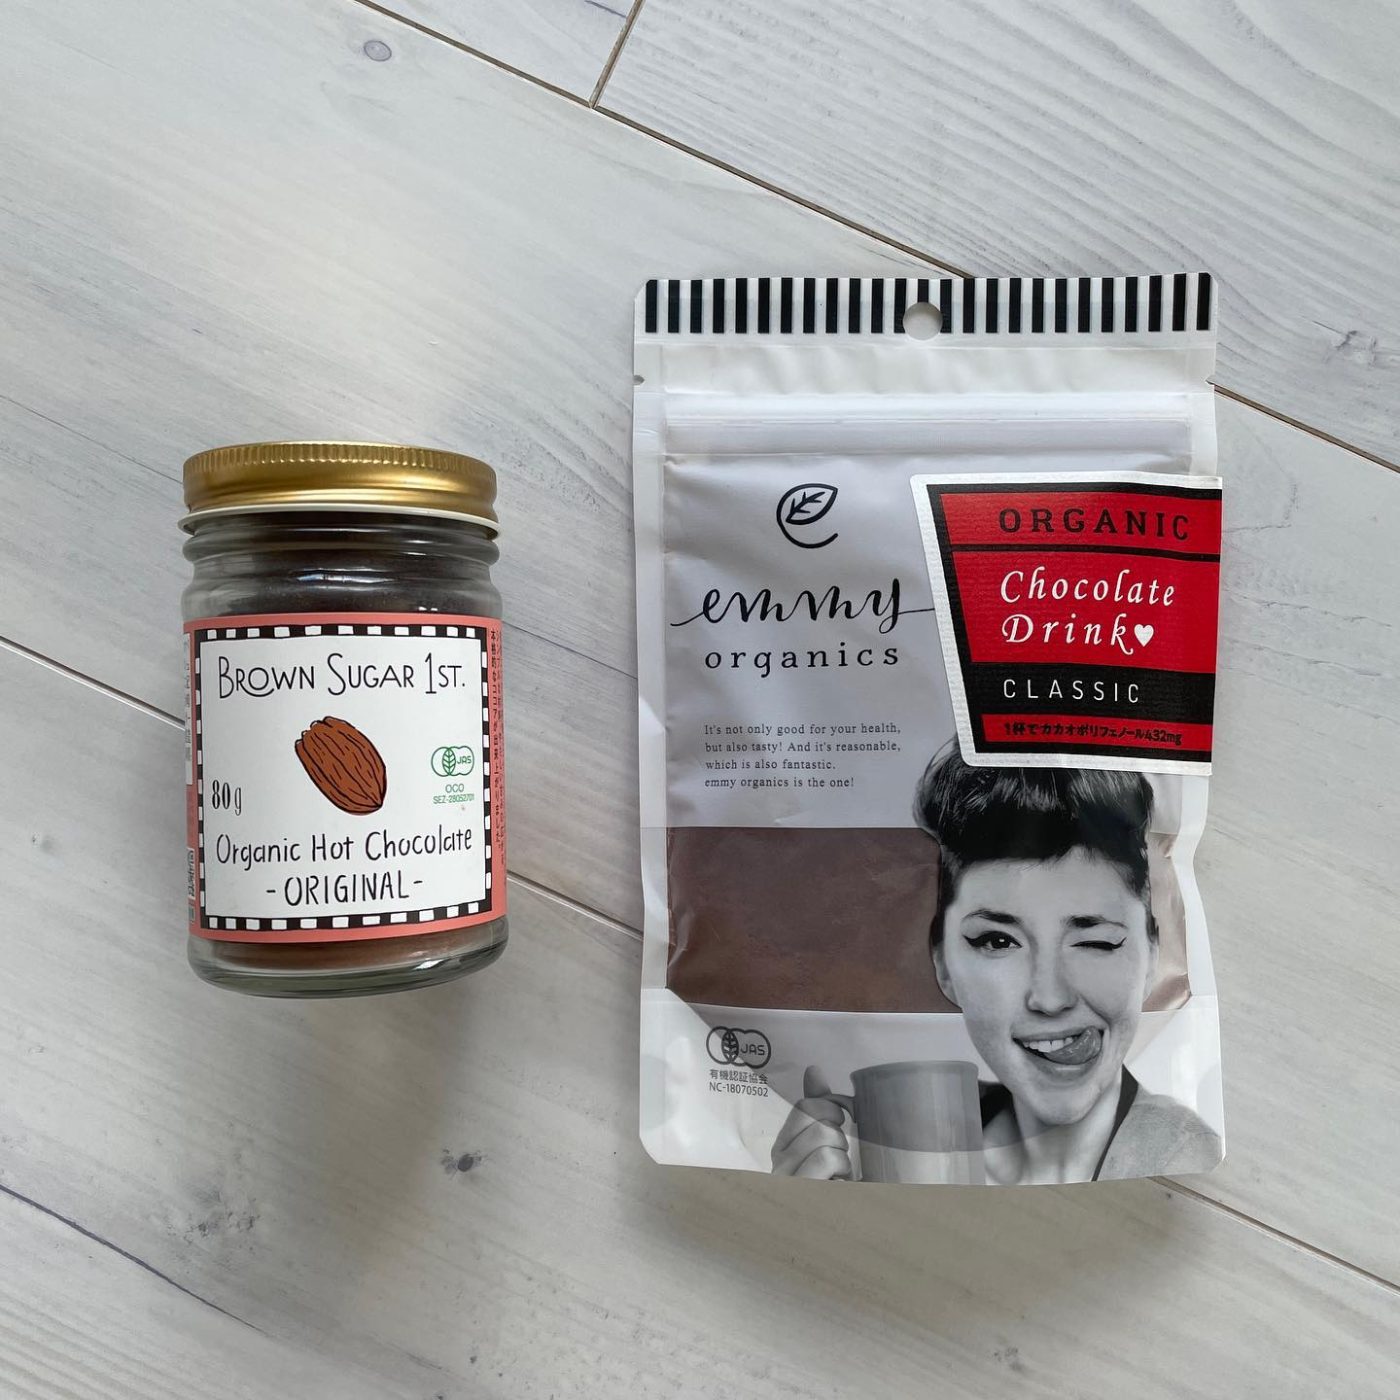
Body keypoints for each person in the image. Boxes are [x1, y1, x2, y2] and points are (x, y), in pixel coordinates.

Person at [772, 750, 1221, 1184]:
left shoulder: (1182, 1158)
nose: (1050, 998)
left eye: (1095, 941)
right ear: (942, 963)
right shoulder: (908, 1144)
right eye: (999, 941)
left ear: (1152, 953)